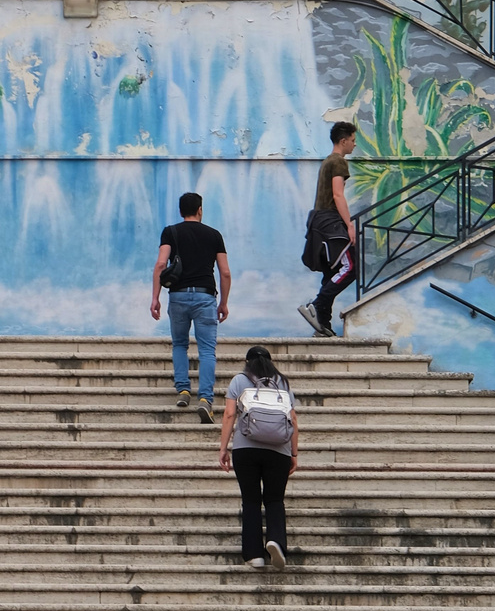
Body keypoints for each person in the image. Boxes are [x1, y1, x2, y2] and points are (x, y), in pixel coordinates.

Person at [150, 191, 231, 424]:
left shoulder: (170, 232)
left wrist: (155, 297)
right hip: (206, 297)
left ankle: (183, 391)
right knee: (207, 350)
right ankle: (205, 399)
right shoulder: (214, 235)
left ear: (180, 211)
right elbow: (225, 272)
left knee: (179, 344)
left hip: (177, 297)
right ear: (200, 210)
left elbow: (160, 264)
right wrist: (223, 302)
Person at [218, 345, 298, 570]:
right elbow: (293, 419)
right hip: (279, 450)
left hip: (246, 450)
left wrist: (224, 449)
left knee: (251, 500)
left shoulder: (239, 381)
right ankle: (276, 542)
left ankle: (255, 555)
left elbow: (229, 414)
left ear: (247, 362)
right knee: (274, 500)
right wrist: (293, 453)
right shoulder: (283, 383)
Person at [299, 121, 358, 337]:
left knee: (332, 270)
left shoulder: (327, 162)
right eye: (352, 140)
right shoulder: (338, 162)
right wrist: (349, 225)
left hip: (319, 221)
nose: (354, 145)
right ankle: (318, 305)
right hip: (330, 222)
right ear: (343, 141)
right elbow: (337, 194)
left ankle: (322, 324)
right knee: (351, 268)